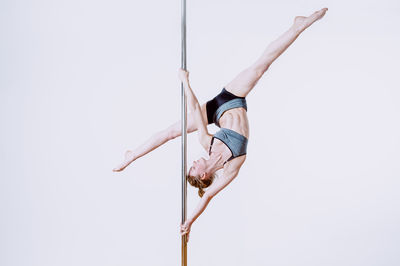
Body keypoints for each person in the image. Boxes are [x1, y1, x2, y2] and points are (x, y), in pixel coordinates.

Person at [113, 8, 328, 241]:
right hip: (236, 102)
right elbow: (206, 198)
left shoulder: (207, 142)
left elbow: (195, 109)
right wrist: (190, 222)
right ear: (204, 174)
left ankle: (298, 25)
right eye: (193, 167)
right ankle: (131, 155)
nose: (192, 162)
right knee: (173, 131)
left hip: (224, 101)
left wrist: (186, 82)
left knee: (259, 67)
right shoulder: (229, 170)